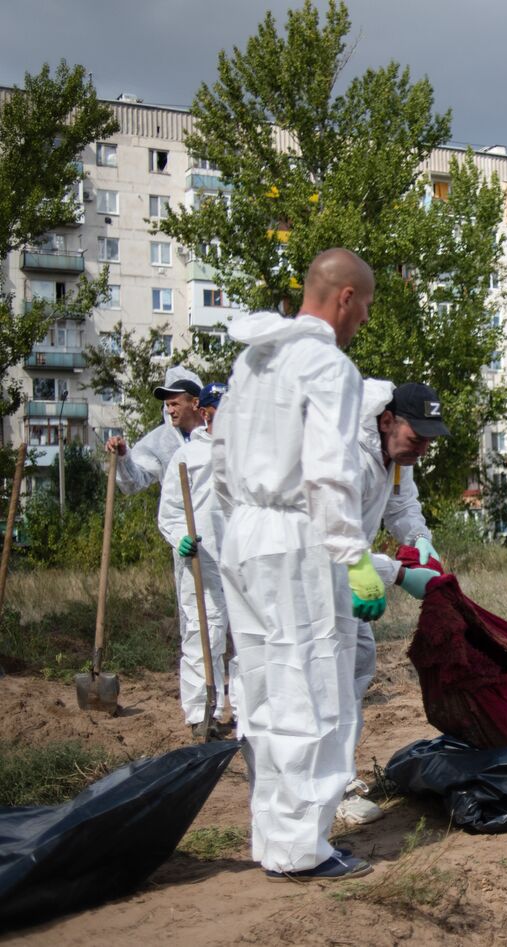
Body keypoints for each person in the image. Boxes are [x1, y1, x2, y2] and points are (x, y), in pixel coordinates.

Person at [212, 248, 385, 882]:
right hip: (295, 538)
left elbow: (221, 457)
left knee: (262, 685)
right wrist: (352, 555)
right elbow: (327, 475)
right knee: (312, 689)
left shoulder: (254, 359)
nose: (362, 319)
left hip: (245, 535)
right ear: (344, 298)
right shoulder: (328, 366)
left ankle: (273, 836)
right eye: (363, 307)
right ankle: (302, 849)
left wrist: (243, 521)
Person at [339, 379, 447, 824]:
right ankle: (329, 792)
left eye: (428, 440)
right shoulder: (346, 452)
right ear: (386, 421)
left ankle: (339, 781)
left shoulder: (398, 457)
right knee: (326, 680)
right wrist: (398, 572)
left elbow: (402, 508)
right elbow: (331, 530)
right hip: (319, 569)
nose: (421, 448)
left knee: (356, 667)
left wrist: (421, 542)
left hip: (352, 569)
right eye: (415, 437)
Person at [157, 382, 234, 740]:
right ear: (204, 414)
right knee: (204, 632)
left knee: (243, 635)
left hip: (239, 557)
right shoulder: (186, 457)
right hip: (200, 558)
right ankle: (202, 714)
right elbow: (169, 513)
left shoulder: (245, 452)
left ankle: (236, 708)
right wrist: (179, 538)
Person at [105, 365, 205, 493]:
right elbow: (134, 483)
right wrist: (123, 457)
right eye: (167, 405)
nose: (170, 411)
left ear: (195, 403)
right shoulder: (161, 442)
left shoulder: (217, 434)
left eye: (175, 404)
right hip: (178, 512)